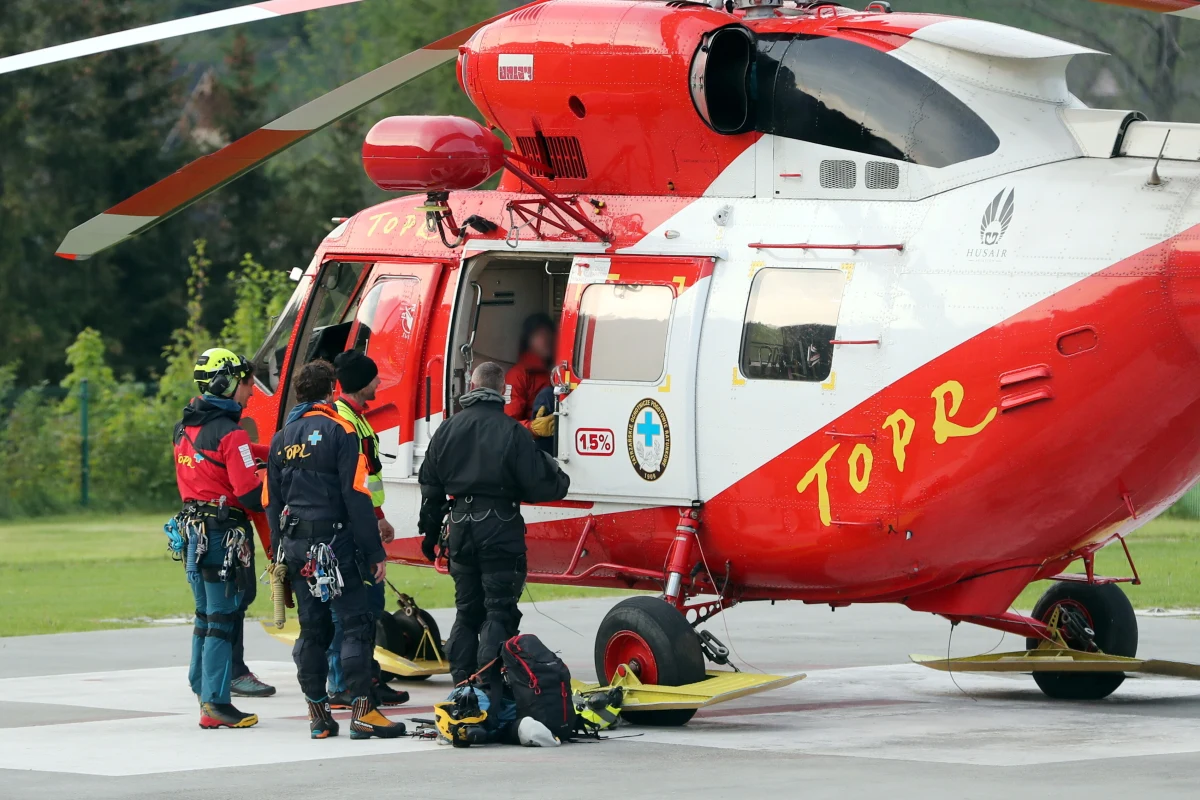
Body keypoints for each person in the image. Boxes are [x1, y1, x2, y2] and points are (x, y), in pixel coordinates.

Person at [265, 360, 405, 741]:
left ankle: (318, 716)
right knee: (356, 623)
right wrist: (374, 552)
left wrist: (278, 554)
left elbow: (271, 502)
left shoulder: (281, 438)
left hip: (296, 548)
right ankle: (362, 712)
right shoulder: (341, 430)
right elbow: (356, 495)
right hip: (335, 545)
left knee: (312, 630)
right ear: (330, 391)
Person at [418, 361, 571, 696]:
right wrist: (557, 474)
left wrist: (429, 536)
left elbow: (430, 487)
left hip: (459, 527)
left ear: (472, 387)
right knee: (499, 612)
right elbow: (541, 485)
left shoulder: (447, 429)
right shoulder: (513, 432)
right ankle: (489, 687)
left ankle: (461, 687)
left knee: (466, 612)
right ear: (503, 391)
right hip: (500, 528)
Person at [173, 348, 265, 729]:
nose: (251, 391)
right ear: (226, 383)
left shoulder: (184, 427)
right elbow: (249, 494)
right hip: (222, 537)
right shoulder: (231, 432)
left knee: (205, 615)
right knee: (222, 620)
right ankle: (215, 704)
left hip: (193, 534)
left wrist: (272, 451)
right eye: (246, 383)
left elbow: (231, 457)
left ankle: (202, 686)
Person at [324, 350, 408, 709]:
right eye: (374, 378)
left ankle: (367, 677)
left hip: (365, 521)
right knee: (349, 610)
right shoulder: (344, 421)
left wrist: (379, 516)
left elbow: (368, 478)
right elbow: (354, 481)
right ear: (361, 383)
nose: (378, 383)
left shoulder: (357, 417)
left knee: (371, 606)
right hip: (351, 528)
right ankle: (341, 683)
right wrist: (371, 520)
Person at [504, 313, 557, 441]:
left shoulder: (559, 370)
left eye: (549, 334)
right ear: (528, 341)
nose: (546, 340)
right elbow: (507, 424)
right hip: (534, 442)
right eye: (540, 335)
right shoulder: (518, 375)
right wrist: (533, 428)